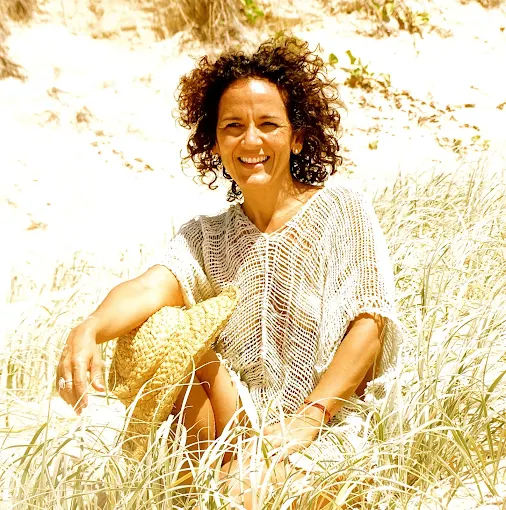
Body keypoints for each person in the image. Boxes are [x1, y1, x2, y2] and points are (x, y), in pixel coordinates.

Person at [56, 36, 403, 508]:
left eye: (269, 124)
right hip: (237, 419)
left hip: (326, 422)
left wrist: (309, 418)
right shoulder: (207, 236)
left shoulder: (343, 209)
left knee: (248, 491)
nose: (251, 141)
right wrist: (89, 329)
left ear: (298, 136)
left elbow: (370, 324)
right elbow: (149, 286)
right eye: (233, 127)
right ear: (215, 142)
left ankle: (230, 482)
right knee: (166, 334)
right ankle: (206, 480)